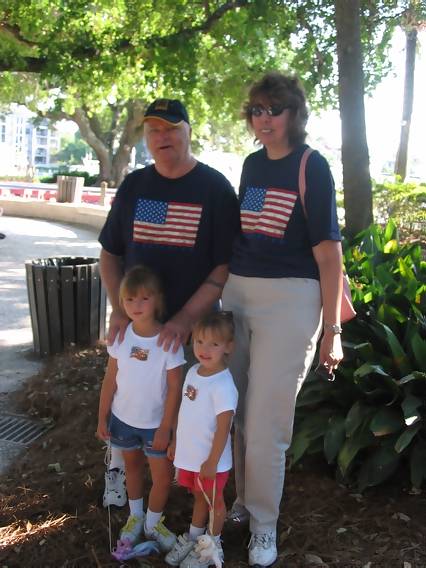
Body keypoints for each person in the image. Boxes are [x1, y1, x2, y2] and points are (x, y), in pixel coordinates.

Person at [222, 71, 344, 566]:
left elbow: (330, 254)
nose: (263, 119)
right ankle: (239, 506)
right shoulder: (251, 165)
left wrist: (331, 331)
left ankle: (264, 525)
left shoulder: (312, 167)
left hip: (292, 300)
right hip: (238, 294)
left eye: (273, 109)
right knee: (230, 410)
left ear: (294, 113)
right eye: (256, 110)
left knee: (267, 421)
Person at [98, 98, 240, 507]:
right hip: (139, 329)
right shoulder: (135, 186)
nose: (162, 137)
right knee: (129, 399)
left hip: (193, 335)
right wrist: (118, 307)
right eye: (153, 130)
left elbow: (223, 267)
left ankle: (187, 495)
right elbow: (110, 253)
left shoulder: (214, 189)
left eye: (171, 128)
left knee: (184, 414)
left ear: (188, 132)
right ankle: (119, 474)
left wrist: (184, 319)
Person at [96, 265, 185, 551]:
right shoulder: (121, 337)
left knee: (161, 476)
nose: (136, 305)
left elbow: (174, 389)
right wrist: (102, 419)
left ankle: (153, 523)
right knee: (132, 469)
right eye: (129, 300)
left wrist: (167, 427)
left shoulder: (169, 342)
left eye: (144, 298)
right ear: (121, 302)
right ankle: (135, 518)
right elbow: (110, 380)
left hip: (155, 425)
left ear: (157, 300)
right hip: (122, 421)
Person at [165, 312, 238, 567]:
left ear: (228, 347)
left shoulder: (223, 385)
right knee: (199, 498)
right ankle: (196, 539)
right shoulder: (194, 371)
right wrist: (176, 442)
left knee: (214, 503)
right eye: (199, 342)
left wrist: (212, 461)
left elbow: (223, 427)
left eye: (214, 344)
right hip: (192, 456)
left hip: (211, 461)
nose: (204, 350)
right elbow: (186, 414)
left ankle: (213, 545)